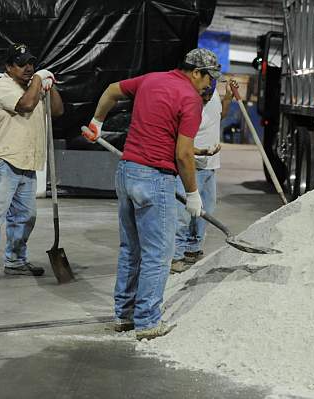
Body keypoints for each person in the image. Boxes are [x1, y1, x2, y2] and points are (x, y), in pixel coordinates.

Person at [81, 48, 221, 341]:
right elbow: (183, 154)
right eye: (209, 78)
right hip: (154, 179)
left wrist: (97, 122)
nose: (210, 85)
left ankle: (124, 315)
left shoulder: (151, 80)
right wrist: (193, 194)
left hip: (127, 172)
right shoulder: (191, 100)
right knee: (158, 254)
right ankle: (147, 322)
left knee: (131, 249)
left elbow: (111, 90)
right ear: (196, 72)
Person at [0, 43, 64, 284]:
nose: (28, 68)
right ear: (9, 67)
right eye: (22, 64)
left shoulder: (34, 88)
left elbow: (56, 112)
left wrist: (50, 86)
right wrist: (37, 81)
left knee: (26, 217)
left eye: (31, 63)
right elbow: (25, 105)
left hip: (27, 163)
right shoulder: (2, 86)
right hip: (3, 161)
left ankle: (15, 261)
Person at [171, 79, 236, 273]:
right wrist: (199, 151)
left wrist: (228, 96)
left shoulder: (214, 94)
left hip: (210, 166)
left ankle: (193, 249)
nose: (206, 98)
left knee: (206, 211)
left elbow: (221, 115)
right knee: (183, 213)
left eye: (210, 94)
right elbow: (177, 140)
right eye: (204, 95)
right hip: (189, 166)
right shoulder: (187, 101)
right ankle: (175, 256)